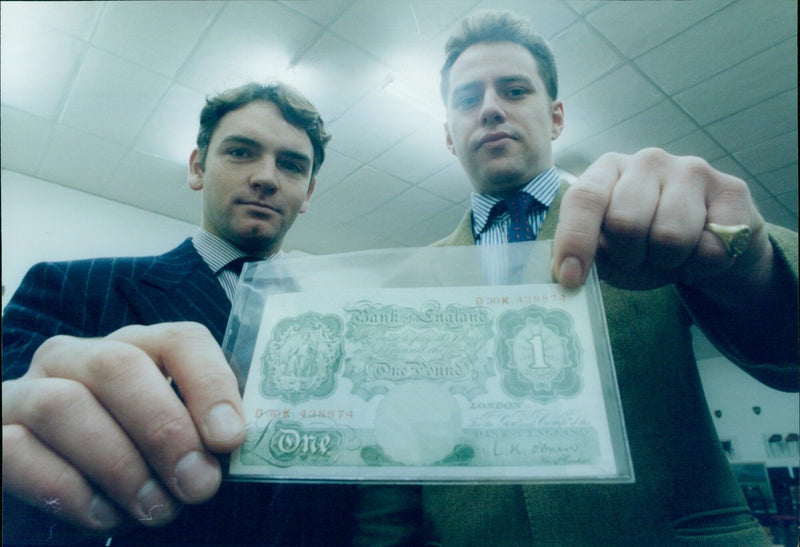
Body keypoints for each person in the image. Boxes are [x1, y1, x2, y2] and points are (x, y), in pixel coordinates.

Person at [354, 10, 798, 546]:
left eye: (515, 91)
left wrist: (752, 266)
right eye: (467, 100)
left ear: (557, 117)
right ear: (450, 134)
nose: (490, 108)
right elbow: (395, 465)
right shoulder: (407, 284)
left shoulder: (642, 213)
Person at [2, 81, 357, 545]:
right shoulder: (69, 288)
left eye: (291, 165)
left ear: (307, 193)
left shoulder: (344, 327)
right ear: (197, 168)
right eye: (241, 152)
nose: (267, 177)